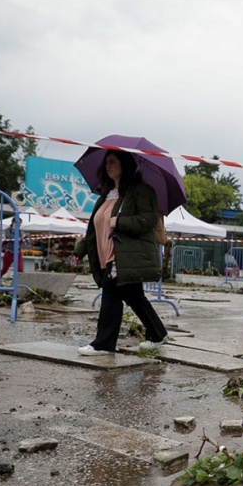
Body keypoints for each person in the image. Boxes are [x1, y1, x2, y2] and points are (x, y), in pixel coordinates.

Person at [73, 150, 168, 355]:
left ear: (125, 165)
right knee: (134, 296)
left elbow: (148, 220)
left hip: (125, 255)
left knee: (110, 293)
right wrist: (80, 250)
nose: (108, 166)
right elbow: (95, 226)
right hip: (106, 252)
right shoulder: (106, 194)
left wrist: (121, 222)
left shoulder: (141, 191)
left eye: (113, 162)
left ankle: (104, 343)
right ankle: (158, 333)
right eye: (106, 162)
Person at [0, 216, 26, 286]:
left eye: (20, 224)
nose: (19, 225)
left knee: (20, 270)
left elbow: (22, 242)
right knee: (4, 269)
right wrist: (15, 231)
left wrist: (24, 239)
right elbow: (10, 237)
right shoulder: (8, 230)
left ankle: (17, 285)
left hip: (18, 252)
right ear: (13, 223)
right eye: (18, 223)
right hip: (9, 252)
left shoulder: (20, 232)